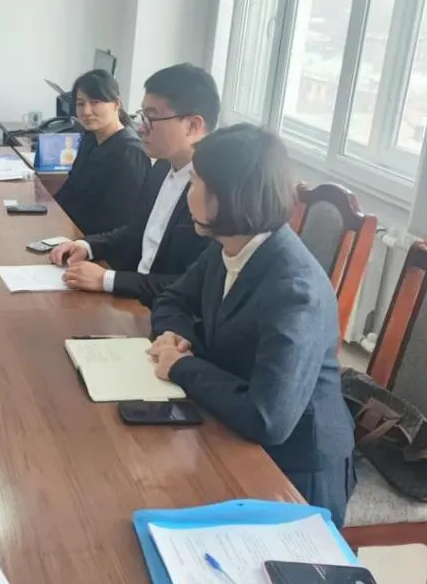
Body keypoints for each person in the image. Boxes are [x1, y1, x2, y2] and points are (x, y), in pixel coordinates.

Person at [148, 123, 356, 525]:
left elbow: (268, 419)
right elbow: (173, 298)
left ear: (229, 196)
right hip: (228, 421)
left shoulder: (294, 289)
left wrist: (181, 366)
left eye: (196, 182)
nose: (188, 191)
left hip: (294, 467)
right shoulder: (229, 245)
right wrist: (177, 336)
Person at [52, 63, 219, 306]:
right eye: (142, 116)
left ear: (193, 125)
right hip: (134, 299)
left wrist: (108, 279)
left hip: (164, 311)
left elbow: (193, 284)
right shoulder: (162, 167)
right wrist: (87, 246)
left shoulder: (214, 193)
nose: (140, 128)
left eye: (152, 118)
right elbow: (135, 231)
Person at [51, 69, 150, 236]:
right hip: (70, 232)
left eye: (95, 102)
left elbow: (120, 223)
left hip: (95, 244)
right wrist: (47, 211)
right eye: (80, 104)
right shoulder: (90, 138)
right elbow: (70, 190)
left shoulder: (130, 153)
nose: (86, 111)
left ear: (117, 103)